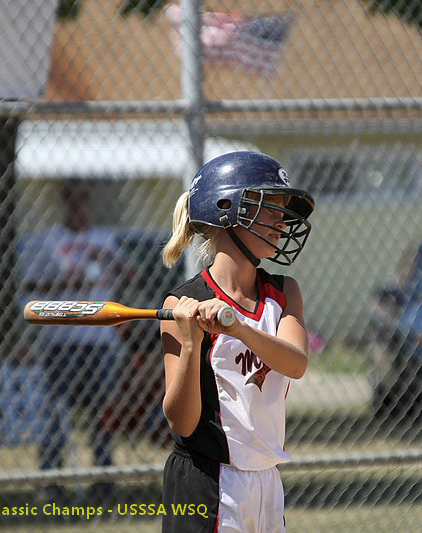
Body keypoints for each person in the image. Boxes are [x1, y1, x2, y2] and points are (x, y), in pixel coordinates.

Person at [158, 151, 314, 532]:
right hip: (207, 481)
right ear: (226, 210)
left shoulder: (283, 292)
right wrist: (193, 341)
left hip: (266, 478)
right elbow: (182, 421)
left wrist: (238, 328)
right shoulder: (181, 304)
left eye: (282, 211)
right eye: (268, 209)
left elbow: (295, 363)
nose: (282, 222)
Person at [19, 180, 131, 500]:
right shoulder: (48, 242)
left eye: (86, 200)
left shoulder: (104, 239)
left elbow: (131, 274)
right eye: (75, 200)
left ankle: (104, 478)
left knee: (103, 411)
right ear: (66, 203)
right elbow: (29, 289)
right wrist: (64, 283)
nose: (82, 206)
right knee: (56, 411)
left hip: (100, 339)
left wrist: (118, 267)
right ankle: (51, 480)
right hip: (62, 337)